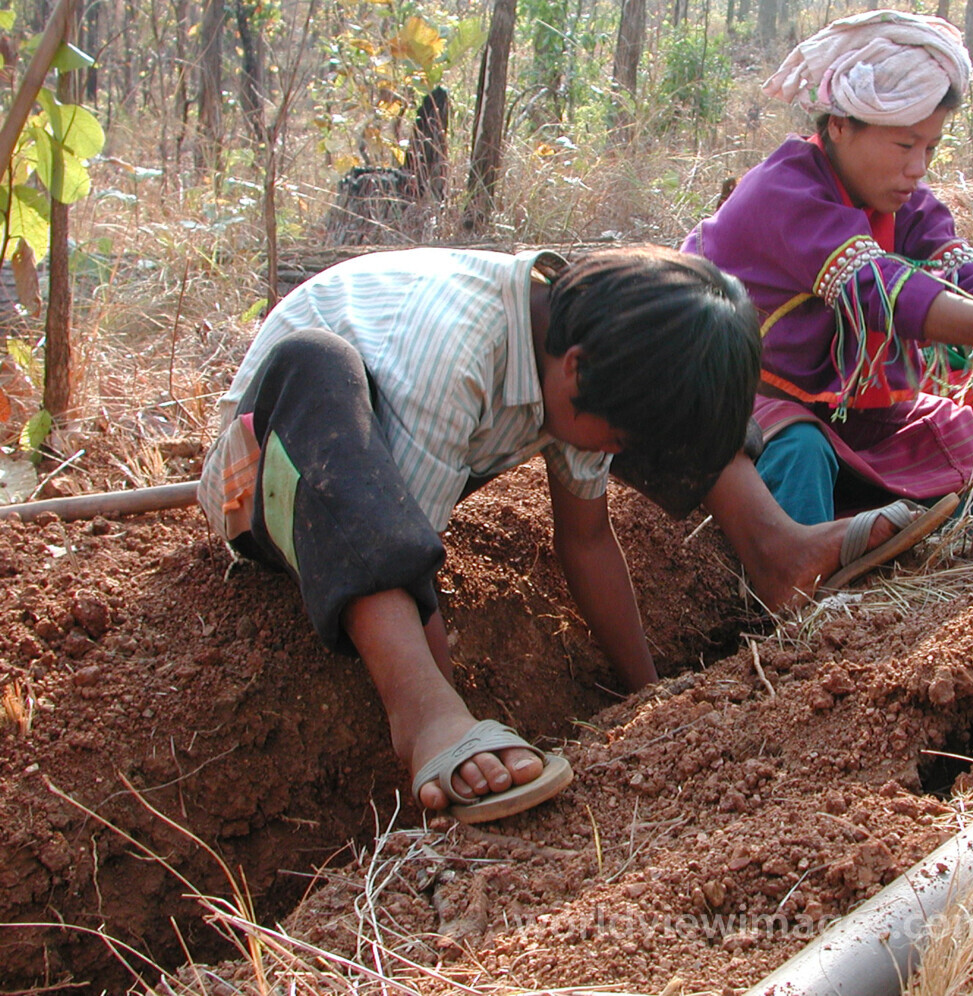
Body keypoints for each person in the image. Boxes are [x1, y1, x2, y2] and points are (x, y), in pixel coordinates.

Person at [197, 246, 761, 823]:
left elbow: (587, 539)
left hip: (384, 461)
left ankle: (774, 547)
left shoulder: (584, 344)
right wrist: (452, 720)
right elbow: (404, 559)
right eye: (616, 440)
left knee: (663, 402)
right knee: (314, 361)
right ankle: (423, 719)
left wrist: (651, 699)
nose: (618, 456)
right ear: (576, 368)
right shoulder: (453, 351)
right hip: (276, 480)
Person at [685, 10, 973, 542]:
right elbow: (881, 290)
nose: (919, 168)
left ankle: (919, 547)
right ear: (839, 124)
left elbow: (965, 273)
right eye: (905, 146)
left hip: (846, 412)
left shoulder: (902, 202)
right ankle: (803, 599)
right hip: (742, 396)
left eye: (930, 147)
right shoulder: (784, 192)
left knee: (959, 436)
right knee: (800, 453)